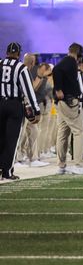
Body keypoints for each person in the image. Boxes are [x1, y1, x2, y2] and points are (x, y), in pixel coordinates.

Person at [1, 42, 40, 181]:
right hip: (14, 105)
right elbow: (28, 91)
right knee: (12, 139)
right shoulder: (21, 68)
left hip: (0, 103)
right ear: (18, 54)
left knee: (1, 137)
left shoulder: (0, 63)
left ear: (7, 52)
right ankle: (7, 171)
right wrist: (36, 110)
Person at [52, 45, 83, 175]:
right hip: (69, 103)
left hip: (62, 103)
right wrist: (58, 88)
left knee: (63, 133)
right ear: (79, 53)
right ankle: (78, 165)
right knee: (79, 132)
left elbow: (57, 70)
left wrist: (58, 89)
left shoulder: (66, 62)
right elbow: (56, 70)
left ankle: (61, 165)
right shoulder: (70, 62)